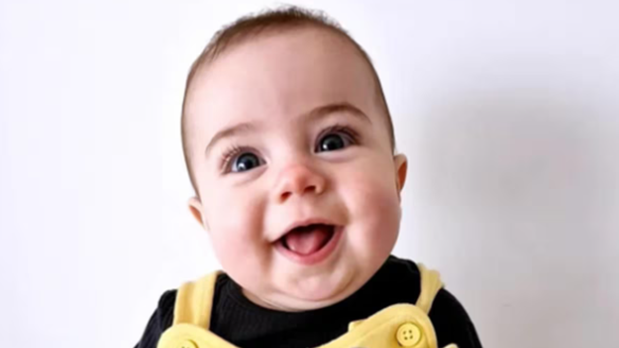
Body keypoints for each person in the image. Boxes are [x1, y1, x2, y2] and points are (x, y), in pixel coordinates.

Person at [135, 6, 482, 348]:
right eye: (246, 161)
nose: (296, 178)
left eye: (332, 142)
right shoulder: (178, 324)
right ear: (204, 219)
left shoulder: (431, 315)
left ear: (397, 180)